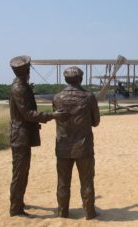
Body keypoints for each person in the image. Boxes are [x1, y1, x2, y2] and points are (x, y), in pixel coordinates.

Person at [9, 55, 68, 217]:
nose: (30, 71)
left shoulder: (22, 86)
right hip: (20, 135)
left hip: (22, 134)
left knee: (22, 171)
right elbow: (28, 114)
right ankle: (15, 208)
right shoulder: (19, 88)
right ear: (26, 71)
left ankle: (18, 202)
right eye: (29, 69)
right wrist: (53, 115)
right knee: (20, 172)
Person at [52, 66, 100, 219]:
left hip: (63, 145)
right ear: (80, 79)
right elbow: (96, 121)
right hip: (83, 146)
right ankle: (90, 213)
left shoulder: (57, 97)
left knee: (62, 182)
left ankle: (62, 212)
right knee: (86, 181)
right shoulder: (89, 96)